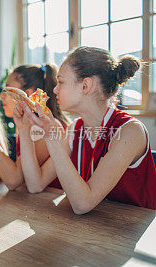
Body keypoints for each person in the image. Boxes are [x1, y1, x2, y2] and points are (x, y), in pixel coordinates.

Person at [14, 47, 156, 213]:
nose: (55, 90)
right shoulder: (76, 129)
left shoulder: (130, 131)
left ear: (85, 86)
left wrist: (51, 136)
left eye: (61, 82)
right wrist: (23, 130)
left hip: (140, 232)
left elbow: (82, 204)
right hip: (97, 228)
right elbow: (35, 184)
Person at [0, 64, 69, 189]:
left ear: (26, 94)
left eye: (8, 90)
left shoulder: (48, 128)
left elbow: (14, 180)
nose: (2, 96)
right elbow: (21, 172)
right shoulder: (26, 124)